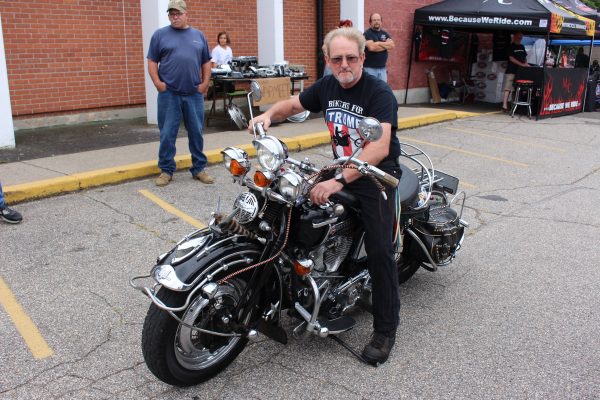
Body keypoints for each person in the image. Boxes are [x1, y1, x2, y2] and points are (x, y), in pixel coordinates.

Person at [250, 27, 402, 366]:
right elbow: (293, 104)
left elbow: (377, 148)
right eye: (337, 58)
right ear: (328, 60)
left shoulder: (379, 93)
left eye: (351, 57)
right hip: (341, 167)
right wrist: (268, 115)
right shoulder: (328, 86)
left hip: (376, 177)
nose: (344, 64)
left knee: (381, 250)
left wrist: (338, 181)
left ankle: (386, 328)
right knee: (290, 208)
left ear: (363, 58)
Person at [147, 0, 214, 187]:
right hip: (169, 94)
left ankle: (199, 169)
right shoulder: (160, 35)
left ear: (186, 14)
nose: (175, 17)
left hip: (193, 93)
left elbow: (206, 62)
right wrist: (158, 83)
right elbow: (152, 61)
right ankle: (166, 170)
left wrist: (204, 84)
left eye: (178, 13)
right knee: (167, 133)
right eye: (172, 14)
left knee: (196, 132)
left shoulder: (198, 36)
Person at [363, 13, 395, 82]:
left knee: (382, 90)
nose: (377, 22)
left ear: (381, 22)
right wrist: (386, 45)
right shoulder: (367, 34)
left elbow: (392, 45)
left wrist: (378, 43)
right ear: (370, 22)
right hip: (370, 69)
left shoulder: (385, 33)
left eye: (378, 20)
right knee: (371, 90)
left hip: (383, 69)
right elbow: (372, 48)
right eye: (374, 20)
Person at [501, 32, 529, 112]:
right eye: (518, 37)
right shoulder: (511, 46)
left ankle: (514, 104)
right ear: (514, 37)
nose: (520, 39)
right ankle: (504, 105)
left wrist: (525, 63)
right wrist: (522, 64)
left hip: (520, 71)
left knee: (516, 89)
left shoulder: (522, 46)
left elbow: (525, 57)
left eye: (521, 38)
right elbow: (511, 58)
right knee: (508, 88)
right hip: (511, 70)